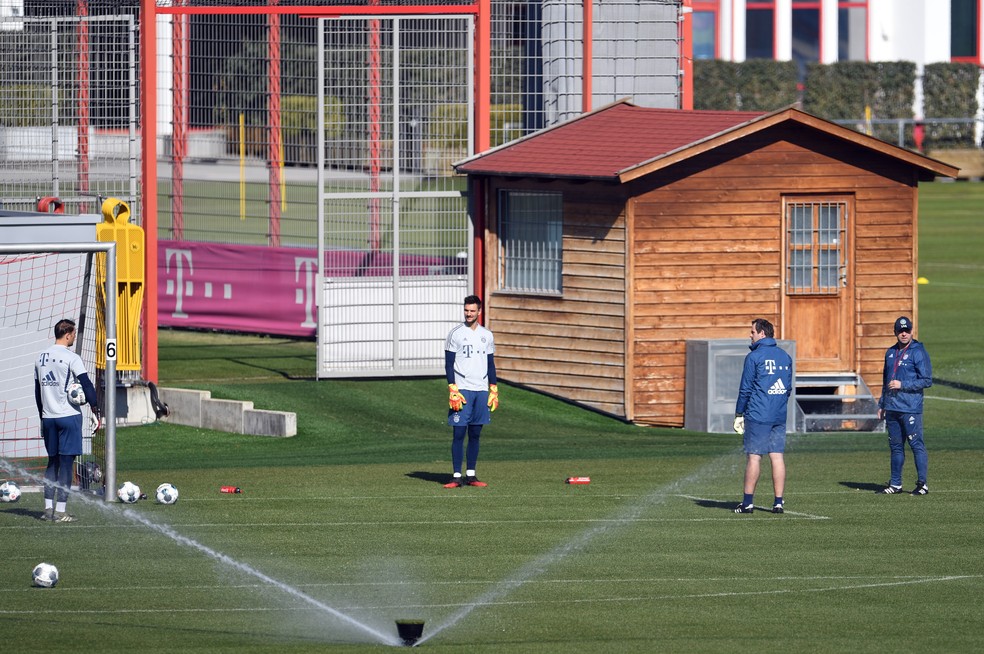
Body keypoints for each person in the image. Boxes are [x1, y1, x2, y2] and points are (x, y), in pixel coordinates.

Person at [34, 319, 99, 522]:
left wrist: (42, 416)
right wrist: (95, 409)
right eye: (74, 333)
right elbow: (87, 385)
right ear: (68, 334)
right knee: (66, 463)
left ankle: (47, 510)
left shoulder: (40, 357)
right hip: (68, 417)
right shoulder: (72, 357)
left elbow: (38, 392)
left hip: (48, 418)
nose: (73, 336)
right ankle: (61, 512)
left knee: (52, 462)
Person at [733, 318, 793, 514]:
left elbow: (745, 388)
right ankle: (778, 503)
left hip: (758, 414)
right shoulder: (785, 356)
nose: (750, 335)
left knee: (754, 458)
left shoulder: (754, 357)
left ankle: (748, 503)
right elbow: (788, 388)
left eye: (752, 332)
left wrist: (739, 413)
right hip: (779, 414)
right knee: (777, 457)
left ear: (762, 333)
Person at [443, 295, 498, 488]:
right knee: (459, 433)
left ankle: (471, 475)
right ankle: (456, 476)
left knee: (475, 433)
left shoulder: (487, 335)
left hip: (481, 390)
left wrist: (493, 388)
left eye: (472, 310)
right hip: (462, 390)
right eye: (466, 310)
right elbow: (448, 364)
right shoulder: (455, 333)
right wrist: (452, 387)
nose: (468, 313)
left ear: (479, 312)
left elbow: (490, 364)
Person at [877, 316, 932, 496]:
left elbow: (926, 380)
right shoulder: (890, 352)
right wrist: (882, 404)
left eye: (907, 330)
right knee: (896, 447)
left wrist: (903, 384)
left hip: (910, 407)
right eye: (900, 331)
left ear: (911, 331)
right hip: (892, 407)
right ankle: (895, 484)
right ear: (895, 332)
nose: (904, 334)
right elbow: (885, 380)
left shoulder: (918, 351)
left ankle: (922, 484)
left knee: (916, 445)